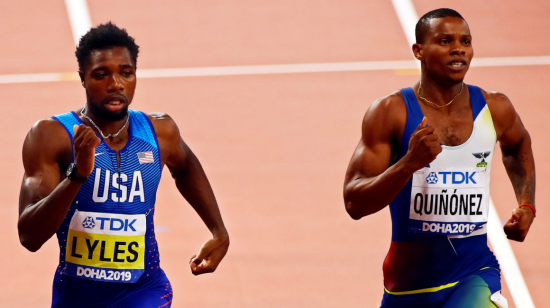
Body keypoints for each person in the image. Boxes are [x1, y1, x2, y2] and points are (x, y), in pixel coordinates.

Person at [18, 22, 229, 308]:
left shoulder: (160, 132)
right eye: (101, 74)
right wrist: (77, 176)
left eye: (126, 73)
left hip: (145, 291)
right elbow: (29, 236)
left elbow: (186, 167)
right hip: (76, 298)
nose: (116, 84)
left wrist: (218, 231)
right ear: (82, 78)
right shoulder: (51, 135)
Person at [343, 8, 535, 308]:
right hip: (407, 285)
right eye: (445, 41)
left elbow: (518, 144)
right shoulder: (390, 112)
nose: (458, 48)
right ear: (418, 51)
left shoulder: (494, 108)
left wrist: (526, 203)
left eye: (465, 41)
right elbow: (354, 203)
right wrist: (408, 163)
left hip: (474, 272)